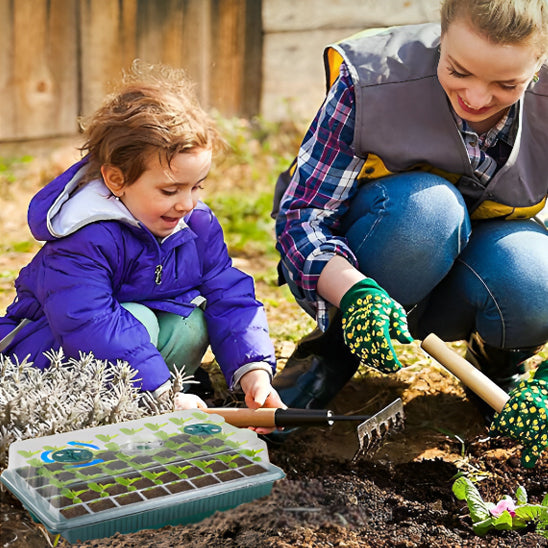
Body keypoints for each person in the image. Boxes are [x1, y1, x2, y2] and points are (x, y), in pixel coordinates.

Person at [273, 0, 548, 467]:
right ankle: (334, 350)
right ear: (442, 32)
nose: (477, 98)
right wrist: (354, 291)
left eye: (507, 84)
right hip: (372, 261)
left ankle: (498, 362)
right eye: (458, 70)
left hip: (475, 274)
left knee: (534, 275)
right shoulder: (372, 80)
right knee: (430, 210)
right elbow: (305, 217)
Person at [0, 61, 283, 414]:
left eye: (197, 186)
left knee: (190, 322)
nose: (186, 203)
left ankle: (154, 408)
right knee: (140, 319)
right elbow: (88, 321)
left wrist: (254, 372)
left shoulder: (196, 225)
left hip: (134, 367)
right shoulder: (84, 238)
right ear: (117, 180)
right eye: (169, 190)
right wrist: (161, 389)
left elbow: (229, 293)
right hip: (49, 360)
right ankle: (128, 410)